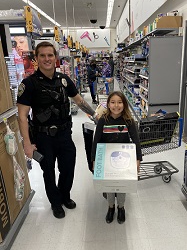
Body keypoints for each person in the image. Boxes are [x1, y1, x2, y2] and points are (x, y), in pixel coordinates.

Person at [17, 41, 98, 219]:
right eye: (43, 56)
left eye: (50, 55)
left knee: (68, 167)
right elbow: (22, 116)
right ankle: (55, 203)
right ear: (36, 58)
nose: (47, 59)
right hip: (43, 136)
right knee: (48, 171)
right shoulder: (29, 84)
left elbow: (79, 101)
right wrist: (27, 144)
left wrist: (95, 116)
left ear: (56, 57)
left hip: (64, 134)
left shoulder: (64, 80)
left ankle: (65, 196)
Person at [91, 91, 142, 224]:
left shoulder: (129, 121)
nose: (116, 105)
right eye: (113, 102)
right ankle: (110, 207)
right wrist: (94, 160)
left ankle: (121, 207)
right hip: (107, 160)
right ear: (108, 104)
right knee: (109, 185)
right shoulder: (103, 120)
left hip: (123, 159)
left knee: (121, 185)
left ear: (124, 104)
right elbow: (96, 141)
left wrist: (138, 159)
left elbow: (136, 140)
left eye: (119, 102)